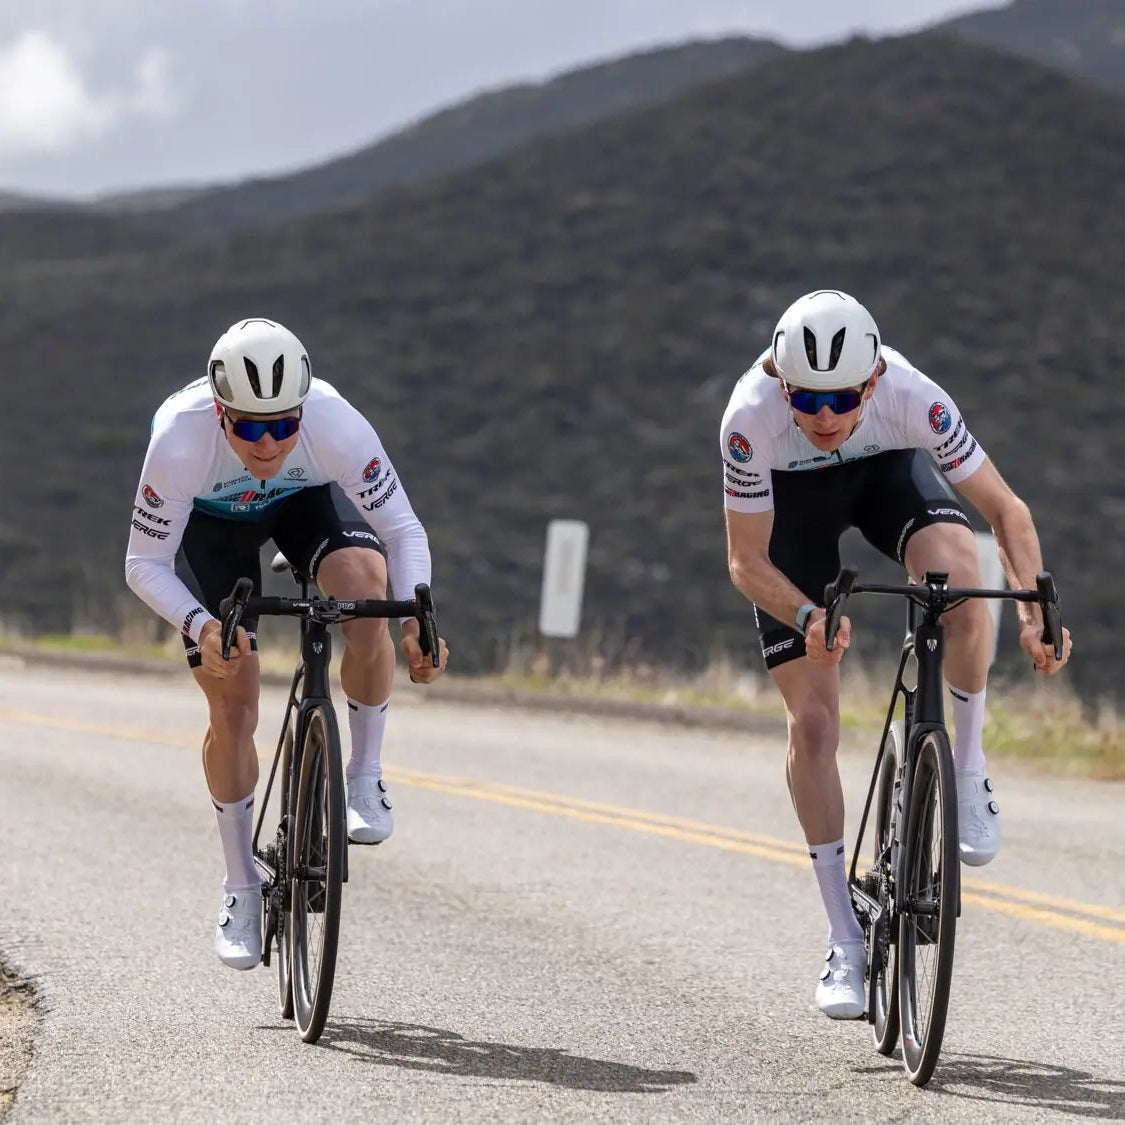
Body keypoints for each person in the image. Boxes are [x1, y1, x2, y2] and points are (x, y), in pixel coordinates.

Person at [720, 290, 1072, 1020]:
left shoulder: (911, 396)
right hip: (791, 518)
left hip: (883, 479)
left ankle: (967, 771)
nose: (823, 416)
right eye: (806, 399)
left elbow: (1006, 513)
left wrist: (1036, 611)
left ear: (871, 382)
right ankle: (843, 938)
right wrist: (807, 612)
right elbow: (745, 561)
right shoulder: (747, 422)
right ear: (779, 382)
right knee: (812, 725)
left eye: (842, 397)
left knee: (962, 578)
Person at [125, 317, 449, 971]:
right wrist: (202, 626)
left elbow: (403, 530)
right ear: (220, 413)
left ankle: (363, 777)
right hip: (215, 530)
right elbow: (143, 564)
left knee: (366, 586)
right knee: (233, 696)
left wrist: (419, 617)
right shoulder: (179, 439)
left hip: (301, 505)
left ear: (303, 408)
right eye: (248, 427)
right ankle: (241, 884)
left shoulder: (335, 425)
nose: (268, 442)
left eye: (283, 423)